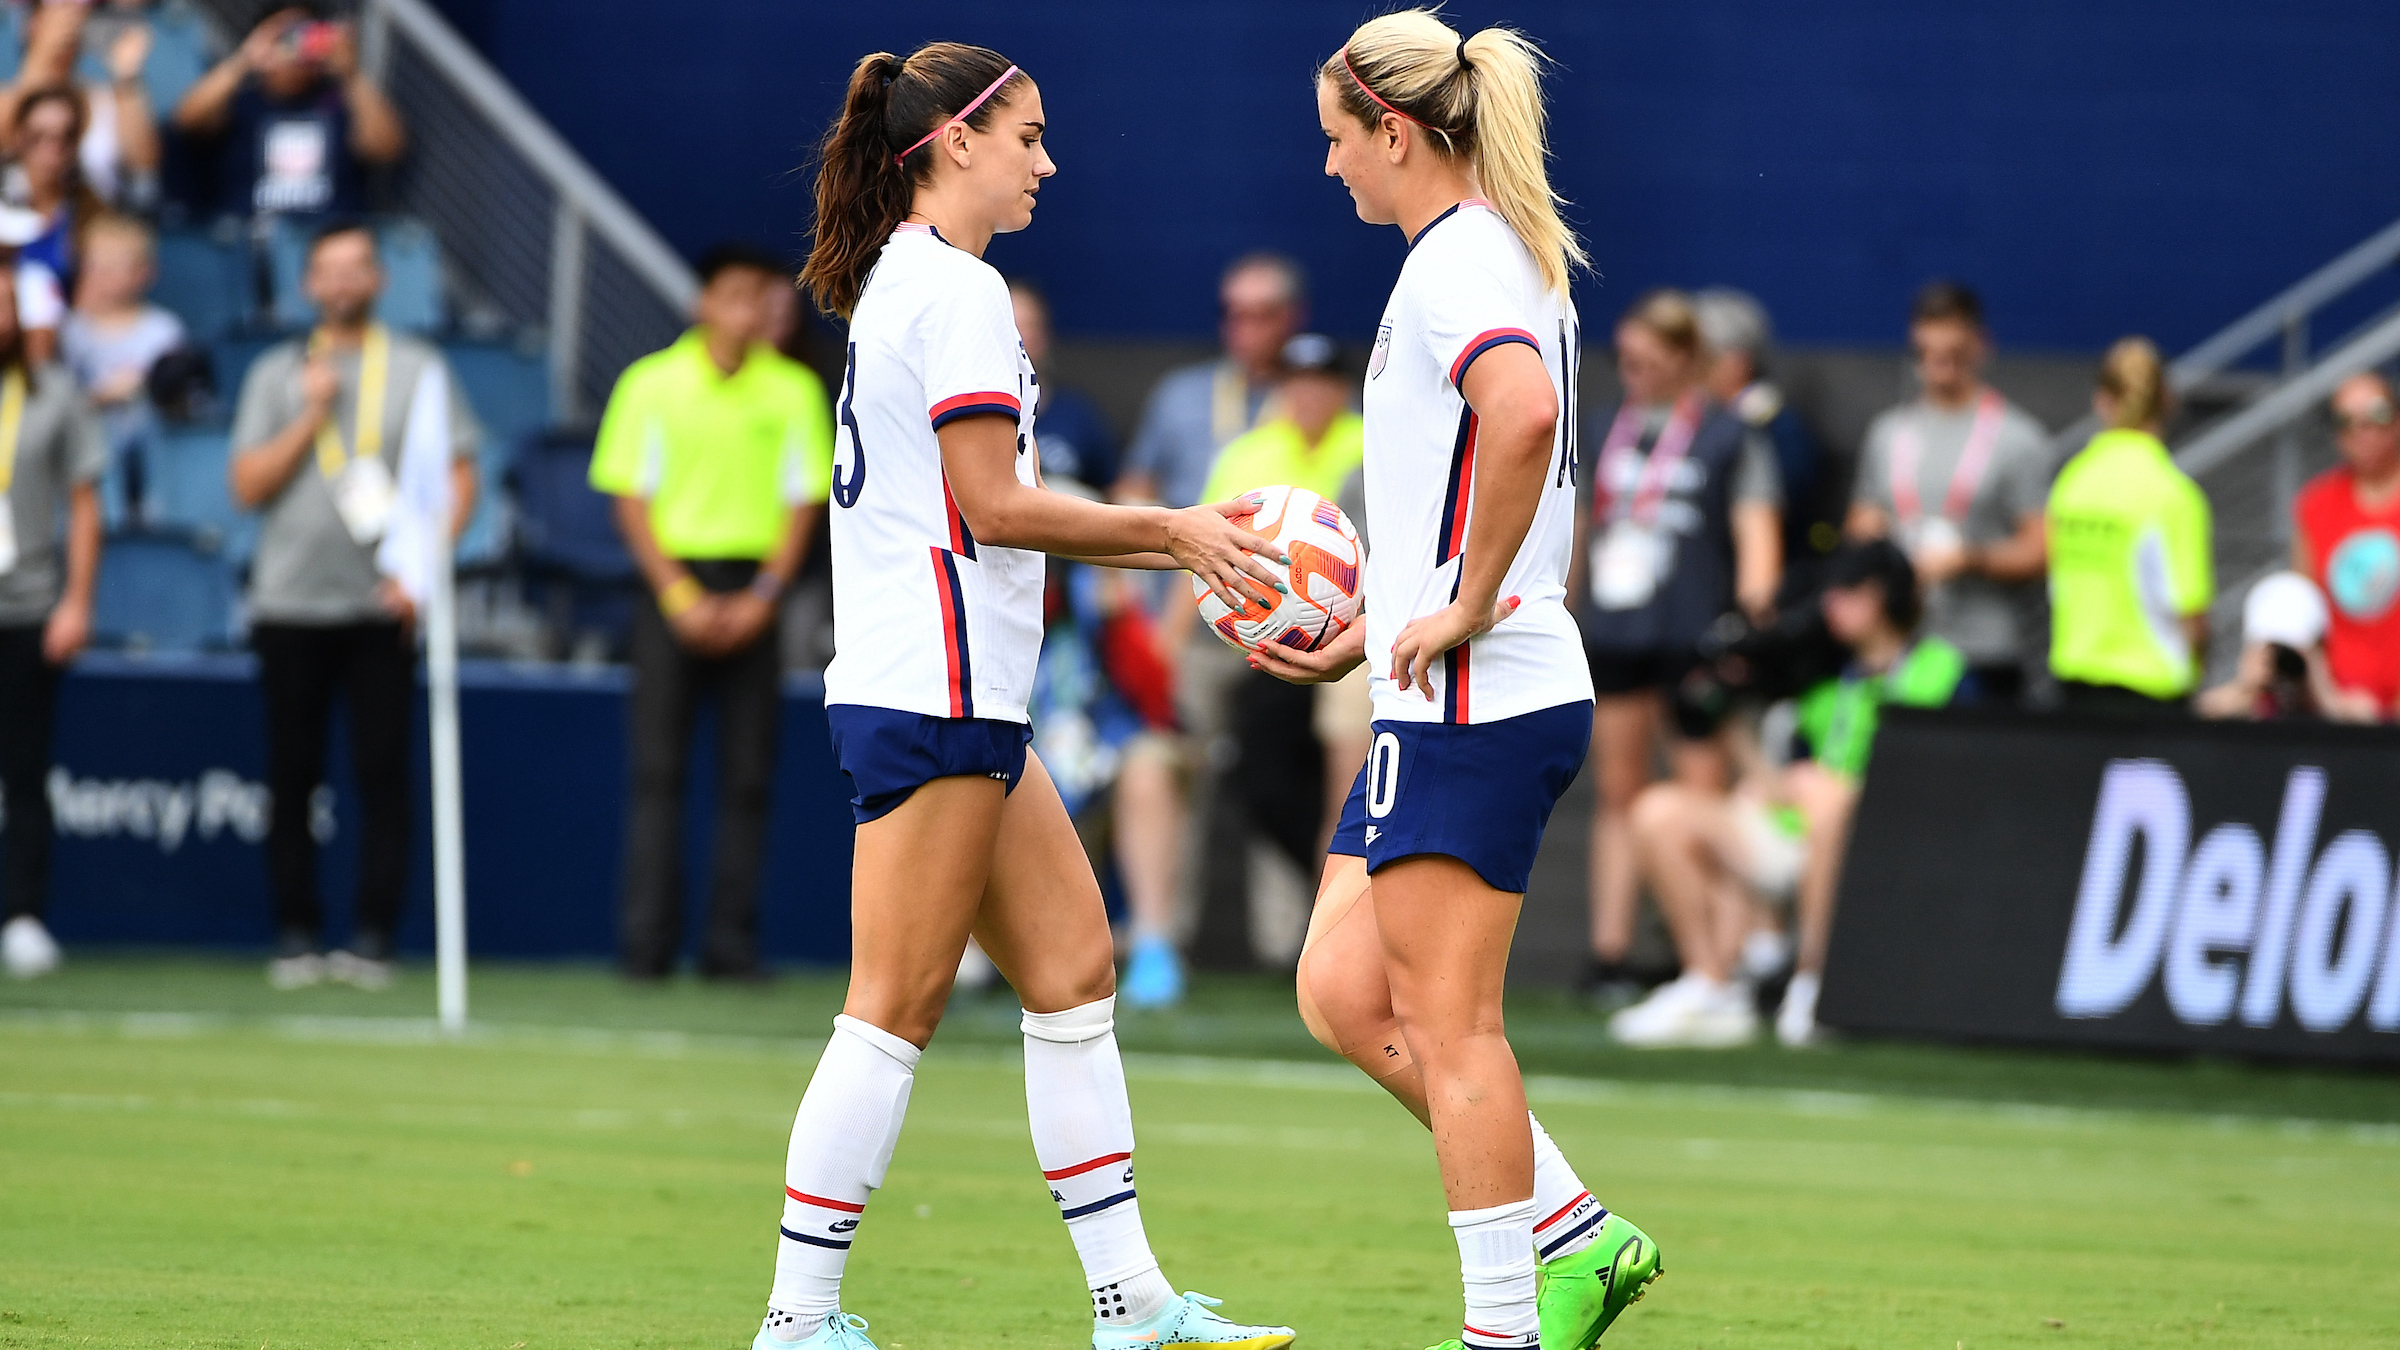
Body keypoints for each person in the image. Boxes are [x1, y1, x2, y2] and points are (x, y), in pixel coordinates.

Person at [760, 43, 1297, 1350]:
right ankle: (797, 1316)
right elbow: (992, 504)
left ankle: (1132, 1301)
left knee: (1072, 971)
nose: (1048, 163)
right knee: (892, 1007)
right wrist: (1171, 529)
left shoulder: (909, 279)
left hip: (955, 686)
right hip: (935, 687)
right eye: (1031, 137)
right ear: (953, 139)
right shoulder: (957, 290)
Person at [1252, 14, 1661, 1350]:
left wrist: (1470, 604)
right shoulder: (1474, 253)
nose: (1329, 170)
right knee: (1339, 990)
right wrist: (1382, 619)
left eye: (1335, 141)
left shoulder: (1459, 261)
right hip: (1448, 685)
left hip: (1483, 691)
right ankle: (1579, 1234)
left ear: (1397, 132)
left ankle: (1504, 1331)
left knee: (1448, 1020)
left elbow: (1523, 417)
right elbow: (1486, 472)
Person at [227, 220, 479, 991]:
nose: (341, 283)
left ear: (379, 280)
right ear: (307, 284)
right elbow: (246, 487)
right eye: (326, 271)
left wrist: (422, 572)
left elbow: (458, 477)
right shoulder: (276, 373)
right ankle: (295, 935)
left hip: (382, 605)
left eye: (356, 269)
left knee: (382, 775)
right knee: (292, 774)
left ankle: (373, 939)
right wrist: (310, 414)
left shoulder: (417, 368)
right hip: (291, 601)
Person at [588, 243, 833, 981]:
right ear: (702, 303)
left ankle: (731, 946)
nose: (747, 311)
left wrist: (763, 596)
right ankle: (646, 947)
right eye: (732, 296)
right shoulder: (651, 384)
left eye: (758, 298)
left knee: (748, 777)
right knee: (657, 773)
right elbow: (630, 500)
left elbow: (803, 502)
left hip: (753, 587)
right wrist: (678, 594)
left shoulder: (791, 390)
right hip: (675, 586)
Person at [1611, 541, 1963, 1048]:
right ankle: (1710, 982)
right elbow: (1787, 777)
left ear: (1882, 597)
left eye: (1848, 593)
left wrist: (1841, 790)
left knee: (1829, 800)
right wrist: (1729, 721)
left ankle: (1812, 983)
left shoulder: (1942, 668)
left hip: (1888, 840)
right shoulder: (1821, 677)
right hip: (1800, 834)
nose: (1832, 606)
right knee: (1657, 810)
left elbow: (1952, 774)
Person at [1574, 288, 1782, 1002]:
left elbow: (1757, 536)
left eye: (1651, 361)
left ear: (1687, 360)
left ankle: (1717, 957)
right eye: (1625, 361)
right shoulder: (1602, 428)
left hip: (1693, 635)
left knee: (1702, 795)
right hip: (1617, 630)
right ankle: (1612, 952)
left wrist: (1749, 627)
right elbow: (1578, 530)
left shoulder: (1727, 434)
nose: (1636, 373)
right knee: (1618, 791)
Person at [1846, 281, 2050, 705]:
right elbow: (1861, 528)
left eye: (1954, 354)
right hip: (1902, 651)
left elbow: (2042, 549)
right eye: (1929, 355)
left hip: (1983, 650)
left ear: (1979, 346)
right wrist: (1883, 550)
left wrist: (1970, 559)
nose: (1941, 366)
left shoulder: (2017, 438)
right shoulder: (1889, 434)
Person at [0, 264, 103, 980]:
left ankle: (25, 917)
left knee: (25, 770)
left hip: (30, 606)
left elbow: (86, 506)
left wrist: (77, 601)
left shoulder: (54, 395)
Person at [2046, 338, 2213, 716]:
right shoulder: (2174, 494)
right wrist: (2198, 669)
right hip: (2152, 698)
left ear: (2101, 400)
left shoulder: (2071, 482)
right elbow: (2193, 620)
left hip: (2074, 690)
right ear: (2167, 399)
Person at [172, 4, 404, 219]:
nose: (295, 48)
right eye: (284, 38)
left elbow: (386, 150)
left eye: (305, 36)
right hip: (247, 242)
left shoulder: (342, 103)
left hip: (327, 239)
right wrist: (244, 60)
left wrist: (351, 75)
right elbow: (187, 120)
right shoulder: (239, 103)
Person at [1114, 252, 1303, 512]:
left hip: (1281, 536)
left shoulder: (1318, 397)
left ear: (1292, 316)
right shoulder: (1179, 392)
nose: (1247, 328)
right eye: (1235, 314)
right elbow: (1135, 483)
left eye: (1263, 315)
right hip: (1181, 537)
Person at [1694, 286, 1833, 585]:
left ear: (1737, 361)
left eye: (1701, 357)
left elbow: (1782, 508)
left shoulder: (1780, 430)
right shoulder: (1694, 426)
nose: (1689, 369)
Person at [2292, 371, 2400, 719]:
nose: (2362, 430)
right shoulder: (2316, 503)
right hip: (2339, 713)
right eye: (2345, 421)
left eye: (2377, 415)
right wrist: (2328, 697)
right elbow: (2303, 618)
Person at [61, 212, 183, 515]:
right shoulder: (70, 332)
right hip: (91, 450)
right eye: (94, 266)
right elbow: (55, 404)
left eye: (114, 268)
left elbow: (179, 400)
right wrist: (101, 396)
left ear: (144, 272)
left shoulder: (164, 330)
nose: (102, 276)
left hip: (153, 448)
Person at [1, 4, 159, 214]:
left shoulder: (109, 97)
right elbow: (8, 139)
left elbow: (144, 162)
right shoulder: (7, 98)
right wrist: (40, 54)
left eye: (78, 17)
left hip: (97, 226)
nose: (70, 23)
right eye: (59, 14)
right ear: (32, 24)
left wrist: (128, 76)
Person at [2197, 571, 2377, 721]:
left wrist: (2324, 695)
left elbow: (2368, 714)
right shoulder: (2255, 700)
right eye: (2274, 649)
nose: (2283, 661)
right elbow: (2205, 709)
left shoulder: (2336, 690)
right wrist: (2245, 688)